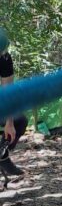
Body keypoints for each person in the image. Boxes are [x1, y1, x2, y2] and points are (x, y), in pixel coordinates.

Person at [0, 40, 28, 177]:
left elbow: (7, 91)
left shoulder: (4, 57)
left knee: (19, 121)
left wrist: (9, 123)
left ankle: (2, 155)